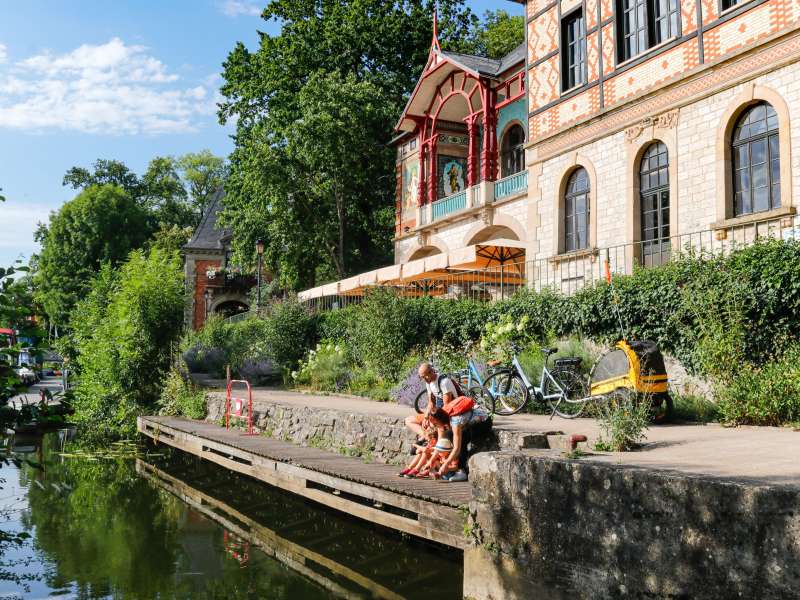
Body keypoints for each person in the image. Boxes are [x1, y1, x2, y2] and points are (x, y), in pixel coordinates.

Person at [403, 361, 459, 439]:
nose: (424, 379)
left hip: (448, 413)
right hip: (437, 413)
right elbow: (431, 402)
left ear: (431, 372)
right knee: (408, 420)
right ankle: (425, 436)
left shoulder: (444, 382)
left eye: (425, 376)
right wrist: (426, 418)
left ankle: (427, 439)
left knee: (431, 426)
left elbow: (447, 407)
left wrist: (432, 421)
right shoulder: (429, 382)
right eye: (422, 377)